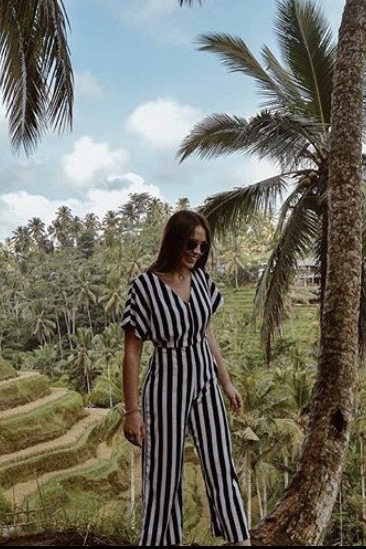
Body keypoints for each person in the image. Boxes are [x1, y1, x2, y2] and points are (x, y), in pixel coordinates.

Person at [121, 210, 250, 546]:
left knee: (222, 465)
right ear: (175, 241)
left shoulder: (203, 282)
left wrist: (226, 382)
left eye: (203, 246)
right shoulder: (145, 287)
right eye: (191, 243)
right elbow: (132, 351)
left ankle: (241, 541)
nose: (196, 251)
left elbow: (206, 331)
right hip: (166, 385)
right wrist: (132, 411)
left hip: (205, 381)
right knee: (163, 477)